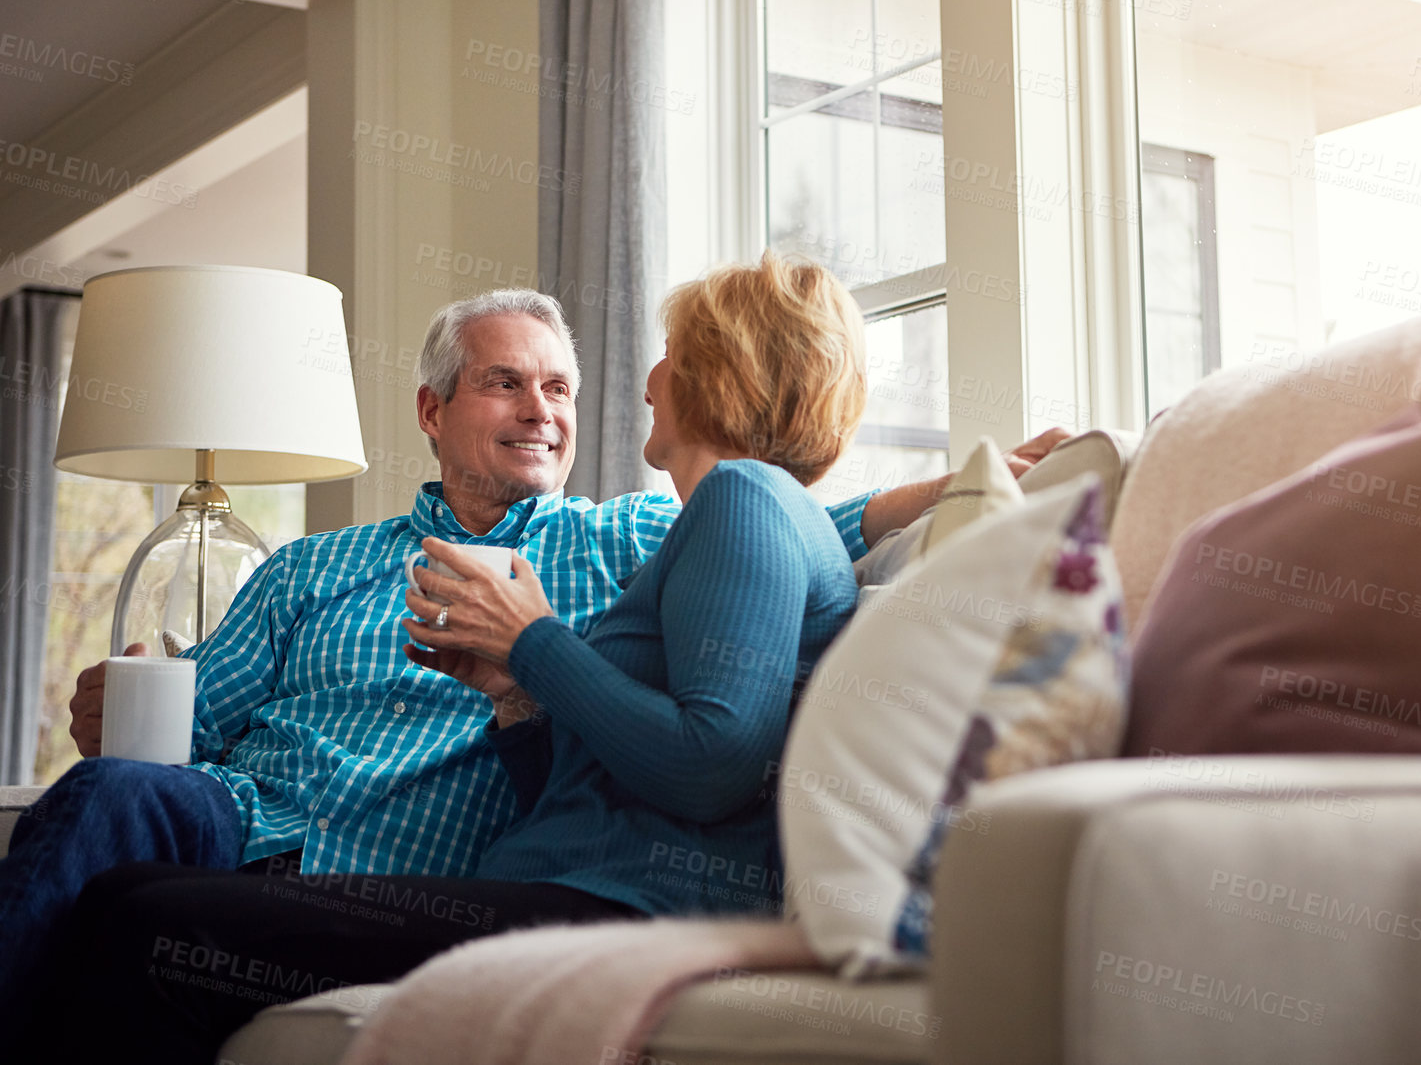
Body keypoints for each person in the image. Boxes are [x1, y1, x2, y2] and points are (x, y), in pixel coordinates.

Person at [0, 274, 1066, 1017]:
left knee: (128, 925)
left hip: (410, 865)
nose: (541, 407)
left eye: (558, 386)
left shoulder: (623, 537)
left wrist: (981, 477)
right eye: (506, 381)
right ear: (432, 405)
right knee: (105, 801)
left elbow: (783, 522)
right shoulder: (308, 567)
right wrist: (124, 703)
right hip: (242, 813)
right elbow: (180, 723)